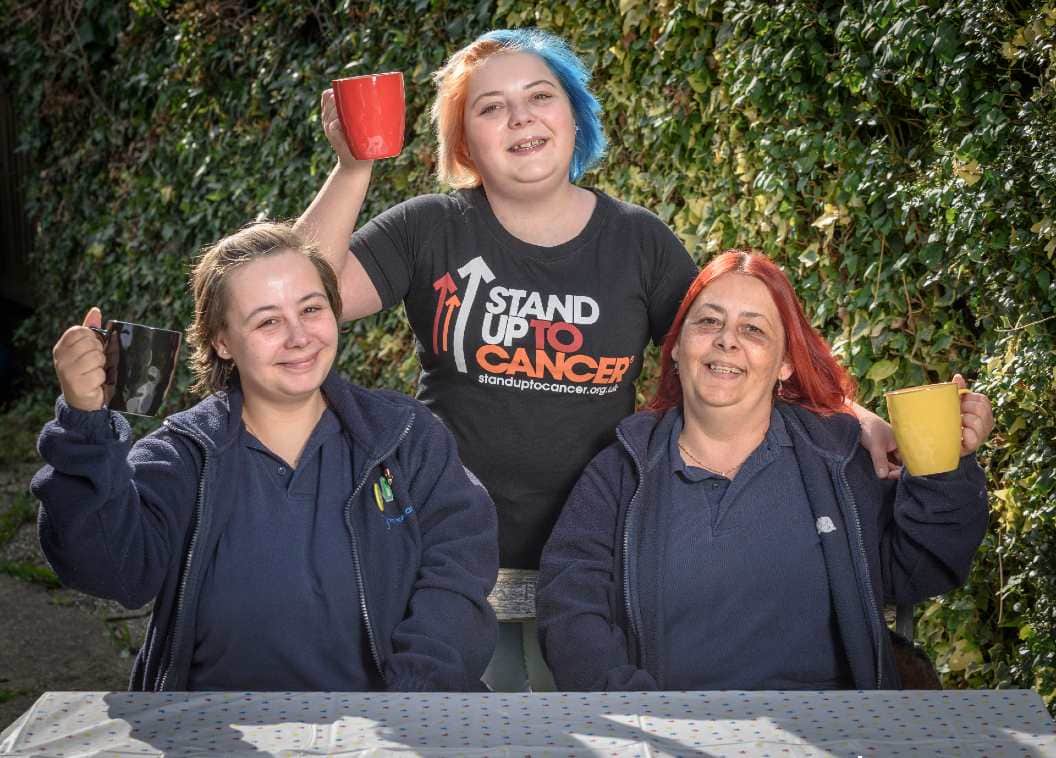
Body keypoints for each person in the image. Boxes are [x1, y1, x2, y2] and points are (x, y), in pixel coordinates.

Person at [296, 29, 903, 691]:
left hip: (594, 582)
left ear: (574, 115)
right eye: (491, 106)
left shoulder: (638, 241)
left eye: (539, 96)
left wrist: (857, 417)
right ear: (465, 141)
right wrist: (354, 166)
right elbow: (294, 298)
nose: (520, 115)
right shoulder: (430, 228)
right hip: (446, 573)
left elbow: (732, 355)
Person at [32, 222, 498, 692]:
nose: (298, 337)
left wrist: (411, 700)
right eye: (267, 321)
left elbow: (456, 574)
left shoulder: (406, 437)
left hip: (388, 727)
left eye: (311, 309)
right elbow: (110, 570)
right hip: (213, 733)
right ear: (222, 342)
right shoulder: (183, 456)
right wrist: (85, 425)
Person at [536, 250, 993, 691]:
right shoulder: (622, 471)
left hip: (831, 735)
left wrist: (945, 463)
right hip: (676, 735)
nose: (726, 340)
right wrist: (642, 715)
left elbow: (921, 569)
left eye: (753, 330)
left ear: (785, 364)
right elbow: (570, 607)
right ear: (675, 349)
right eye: (709, 321)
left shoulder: (837, 459)